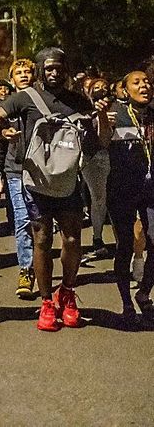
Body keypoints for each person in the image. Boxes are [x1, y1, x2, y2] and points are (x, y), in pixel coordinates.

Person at [0, 47, 111, 332]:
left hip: (68, 181)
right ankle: (45, 302)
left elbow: (99, 143)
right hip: (36, 182)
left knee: (71, 239)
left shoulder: (78, 101)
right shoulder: (25, 97)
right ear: (40, 69)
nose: (53, 72)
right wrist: (1, 128)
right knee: (41, 240)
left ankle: (66, 292)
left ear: (65, 69)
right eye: (48, 68)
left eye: (58, 67)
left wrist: (102, 117)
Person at [105, 71, 154, 325]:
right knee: (125, 246)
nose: (144, 85)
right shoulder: (115, 113)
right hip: (122, 188)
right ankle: (126, 303)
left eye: (146, 81)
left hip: (151, 189)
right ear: (124, 90)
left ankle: (143, 293)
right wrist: (103, 122)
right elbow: (99, 143)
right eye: (136, 82)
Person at [0, 58, 37, 298]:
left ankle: (42, 266)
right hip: (15, 171)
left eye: (28, 71)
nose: (24, 75)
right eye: (18, 72)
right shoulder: (5, 107)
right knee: (22, 220)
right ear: (12, 78)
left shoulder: (43, 103)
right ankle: (26, 270)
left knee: (42, 223)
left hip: (42, 172)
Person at [81, 77, 112, 263]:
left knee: (110, 199)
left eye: (104, 87)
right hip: (91, 158)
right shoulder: (83, 108)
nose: (101, 89)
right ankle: (97, 238)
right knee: (98, 198)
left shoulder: (115, 107)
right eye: (96, 87)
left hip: (112, 156)